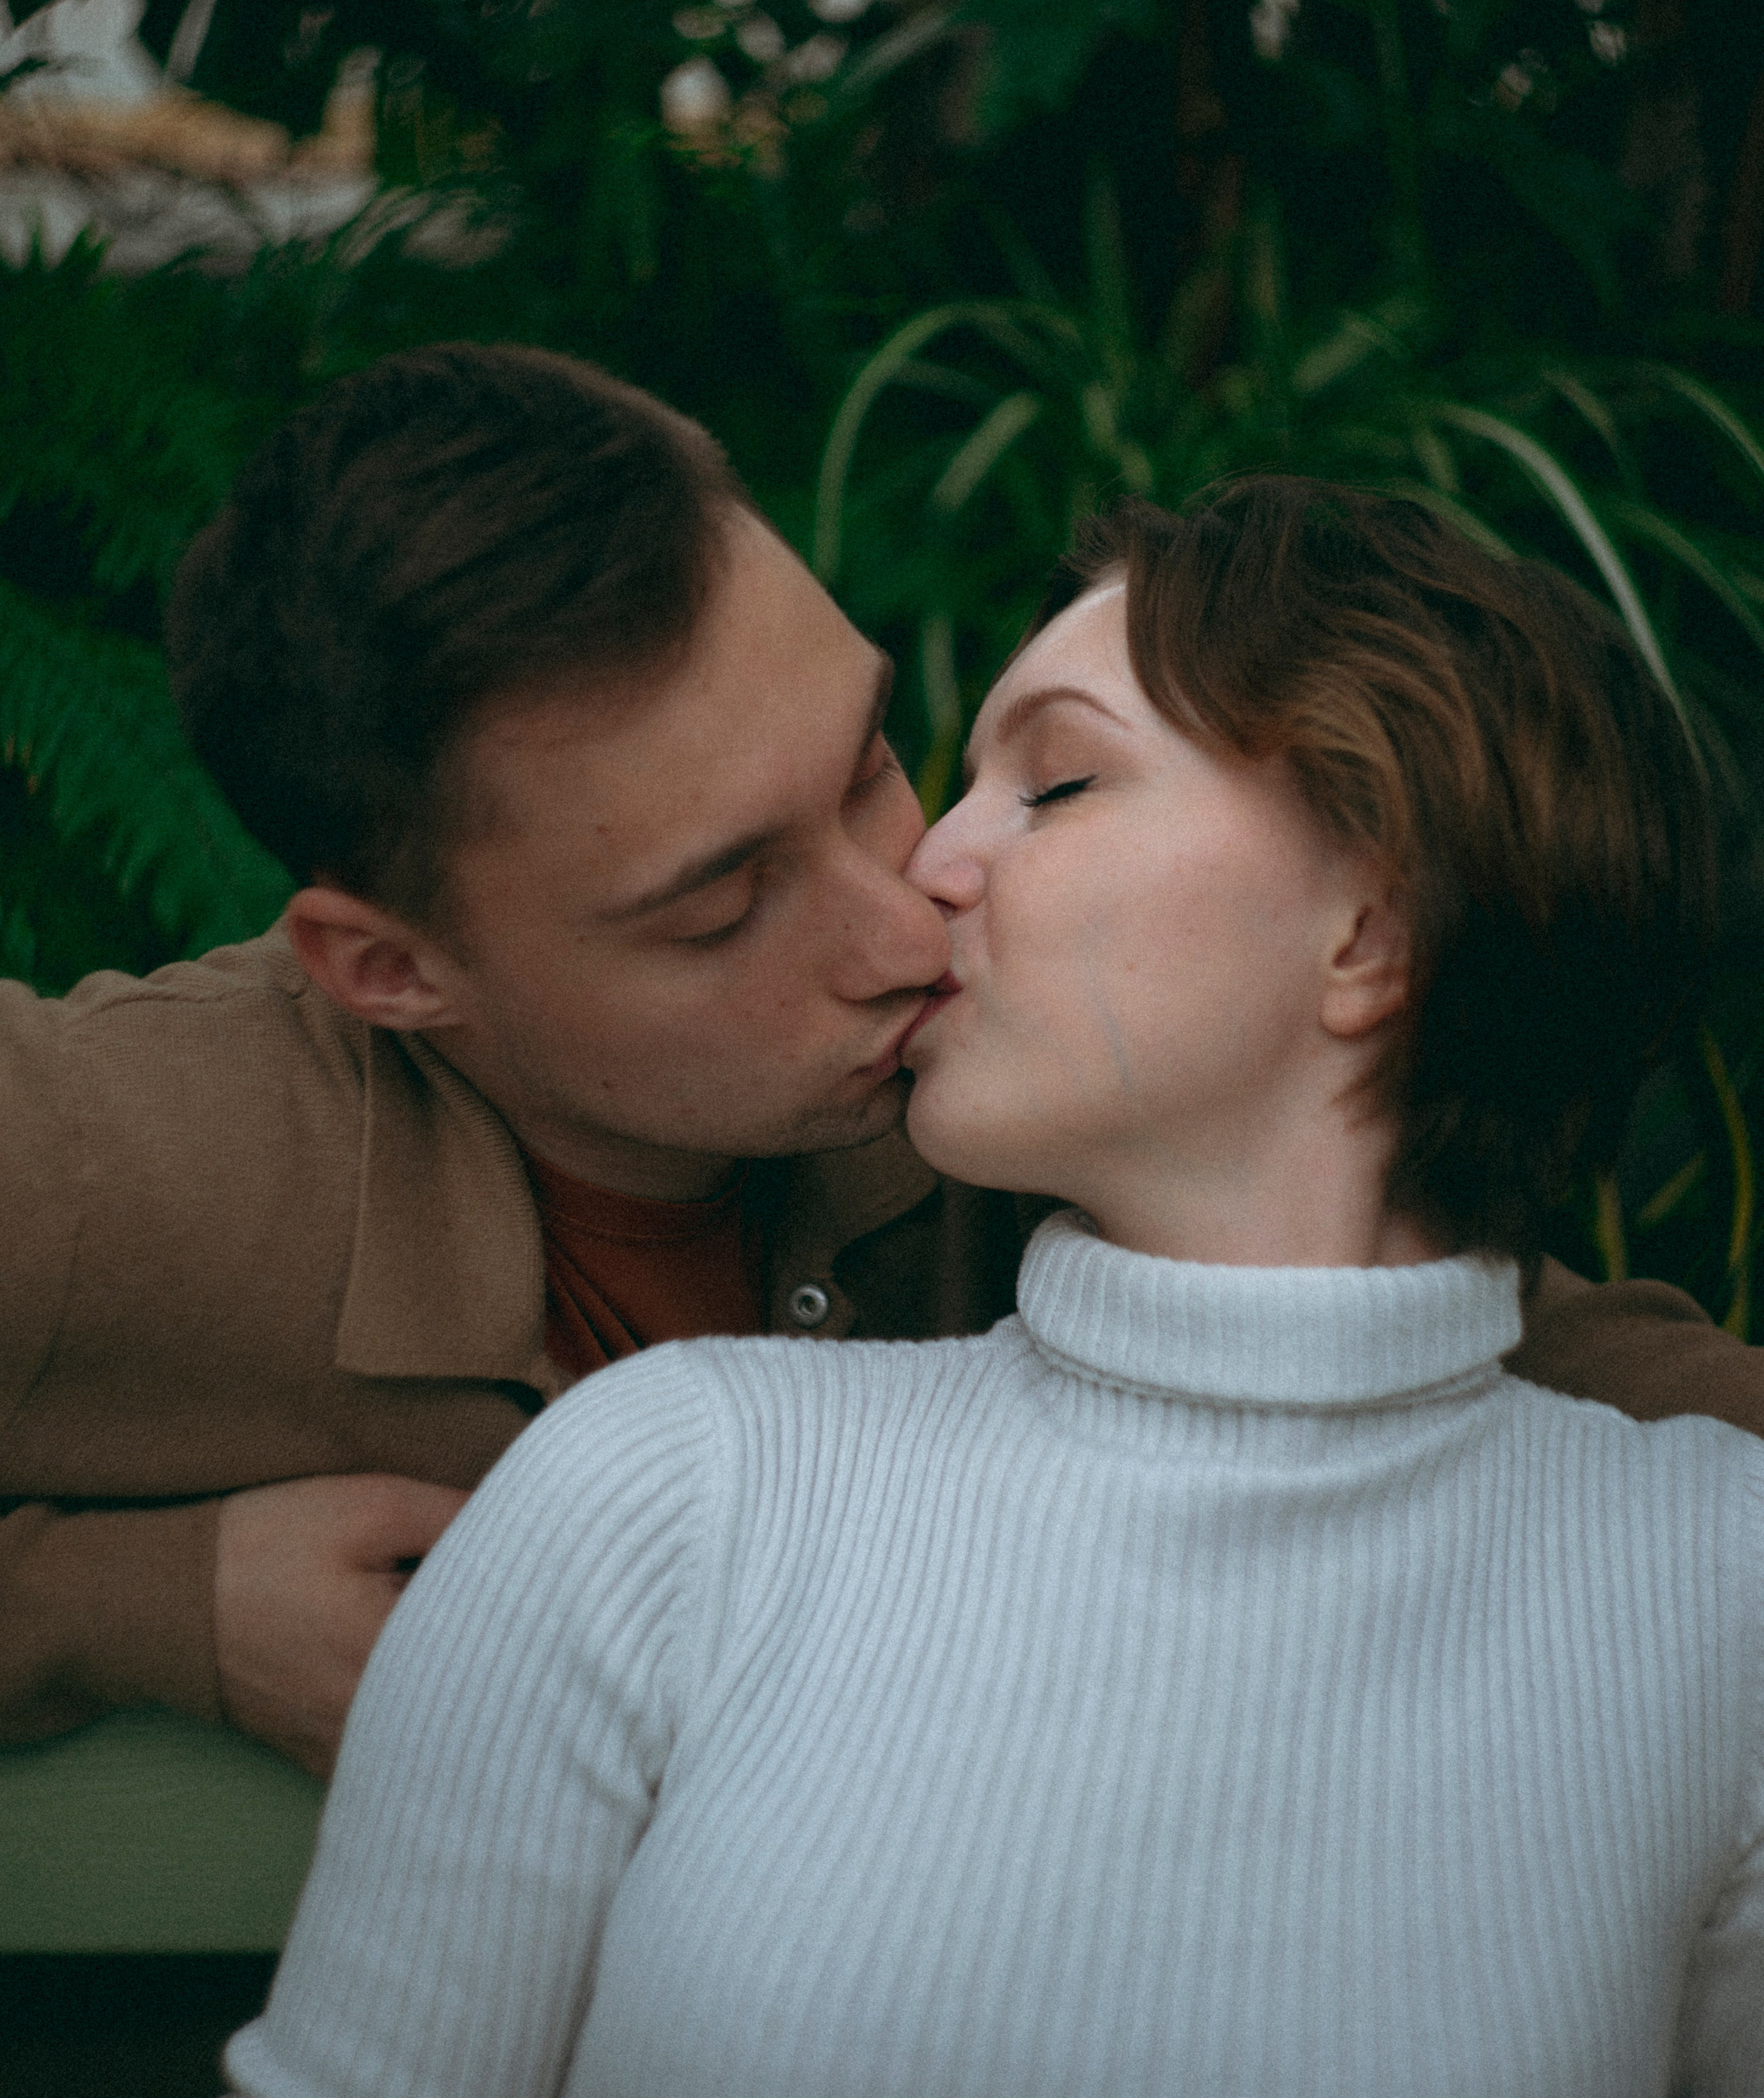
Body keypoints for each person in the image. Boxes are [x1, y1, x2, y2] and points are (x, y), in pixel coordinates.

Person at [0, 349, 1754, 1779]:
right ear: (393, 971)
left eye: (861, 767)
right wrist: (127, 1600)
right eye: (720, 908)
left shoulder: (1036, 1111)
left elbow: (1512, 1355)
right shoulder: (92, 1159)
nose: (909, 921)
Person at [229, 480, 1762, 2097]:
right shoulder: (674, 1480)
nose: (928, 872)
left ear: (1370, 928)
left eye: (1060, 780)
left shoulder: (1718, 1587)